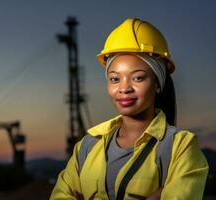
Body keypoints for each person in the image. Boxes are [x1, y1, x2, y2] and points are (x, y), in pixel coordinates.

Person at [50, 18, 208, 200]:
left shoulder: (181, 147)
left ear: (158, 83)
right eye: (115, 79)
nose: (124, 88)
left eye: (138, 78)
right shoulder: (87, 146)